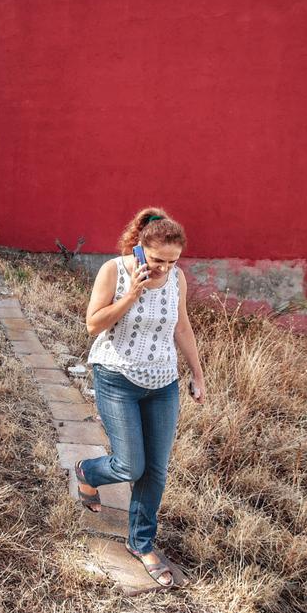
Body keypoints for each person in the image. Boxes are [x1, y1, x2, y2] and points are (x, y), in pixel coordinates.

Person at [74, 207, 204, 588]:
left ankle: (141, 542)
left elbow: (182, 327)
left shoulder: (176, 278)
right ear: (141, 248)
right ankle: (87, 471)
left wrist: (197, 374)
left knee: (155, 471)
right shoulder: (114, 271)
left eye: (173, 261)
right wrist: (133, 293)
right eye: (158, 260)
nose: (165, 268)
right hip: (117, 377)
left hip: (163, 383)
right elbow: (93, 324)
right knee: (130, 465)